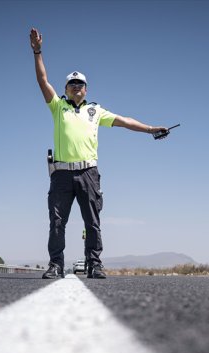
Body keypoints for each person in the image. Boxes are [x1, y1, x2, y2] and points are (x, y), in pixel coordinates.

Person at [30, 27, 168, 279]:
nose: (76, 87)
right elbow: (42, 80)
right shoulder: (58, 107)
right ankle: (56, 265)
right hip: (61, 174)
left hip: (88, 173)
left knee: (92, 222)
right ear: (66, 88)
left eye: (80, 84)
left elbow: (124, 121)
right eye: (71, 84)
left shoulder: (96, 111)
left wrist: (150, 129)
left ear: (86, 88)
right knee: (57, 222)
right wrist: (37, 51)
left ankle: (94, 264)